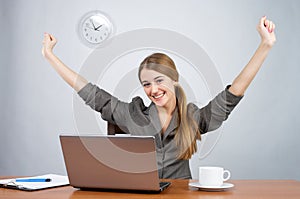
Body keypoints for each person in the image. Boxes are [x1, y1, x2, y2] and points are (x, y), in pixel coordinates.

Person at [42, 16, 276, 179]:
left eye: (159, 80)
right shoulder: (131, 115)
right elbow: (92, 94)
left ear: (174, 79)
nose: (153, 89)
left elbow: (232, 94)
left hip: (181, 194)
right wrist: (50, 56)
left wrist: (265, 45)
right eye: (146, 84)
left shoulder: (193, 117)